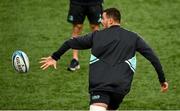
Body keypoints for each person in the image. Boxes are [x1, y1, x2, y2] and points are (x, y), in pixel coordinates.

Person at [40, 8, 168, 111]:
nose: (101, 21)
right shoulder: (134, 38)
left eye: (103, 18)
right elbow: (154, 59)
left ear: (111, 21)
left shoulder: (96, 36)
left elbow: (70, 43)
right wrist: (162, 80)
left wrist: (54, 57)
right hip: (120, 89)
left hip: (100, 86)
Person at [67, 0, 103, 71]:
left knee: (95, 27)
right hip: (77, 3)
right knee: (77, 26)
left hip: (95, 2)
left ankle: (97, 59)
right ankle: (75, 59)